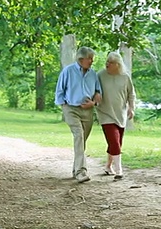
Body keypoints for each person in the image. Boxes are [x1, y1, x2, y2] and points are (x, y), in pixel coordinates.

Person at [55, 47, 102, 183]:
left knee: (82, 140)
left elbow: (98, 92)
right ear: (81, 59)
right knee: (79, 136)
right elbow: (59, 90)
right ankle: (81, 171)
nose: (92, 61)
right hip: (71, 108)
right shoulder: (68, 71)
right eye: (90, 58)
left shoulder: (93, 74)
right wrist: (64, 106)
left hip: (88, 111)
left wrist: (93, 103)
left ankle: (76, 169)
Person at [96, 51, 135, 180]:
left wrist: (131, 108)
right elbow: (93, 89)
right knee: (114, 141)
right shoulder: (100, 75)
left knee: (116, 143)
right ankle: (119, 171)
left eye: (111, 63)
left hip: (120, 114)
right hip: (105, 113)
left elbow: (131, 94)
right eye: (107, 61)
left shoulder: (125, 77)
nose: (107, 64)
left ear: (118, 65)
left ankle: (108, 166)